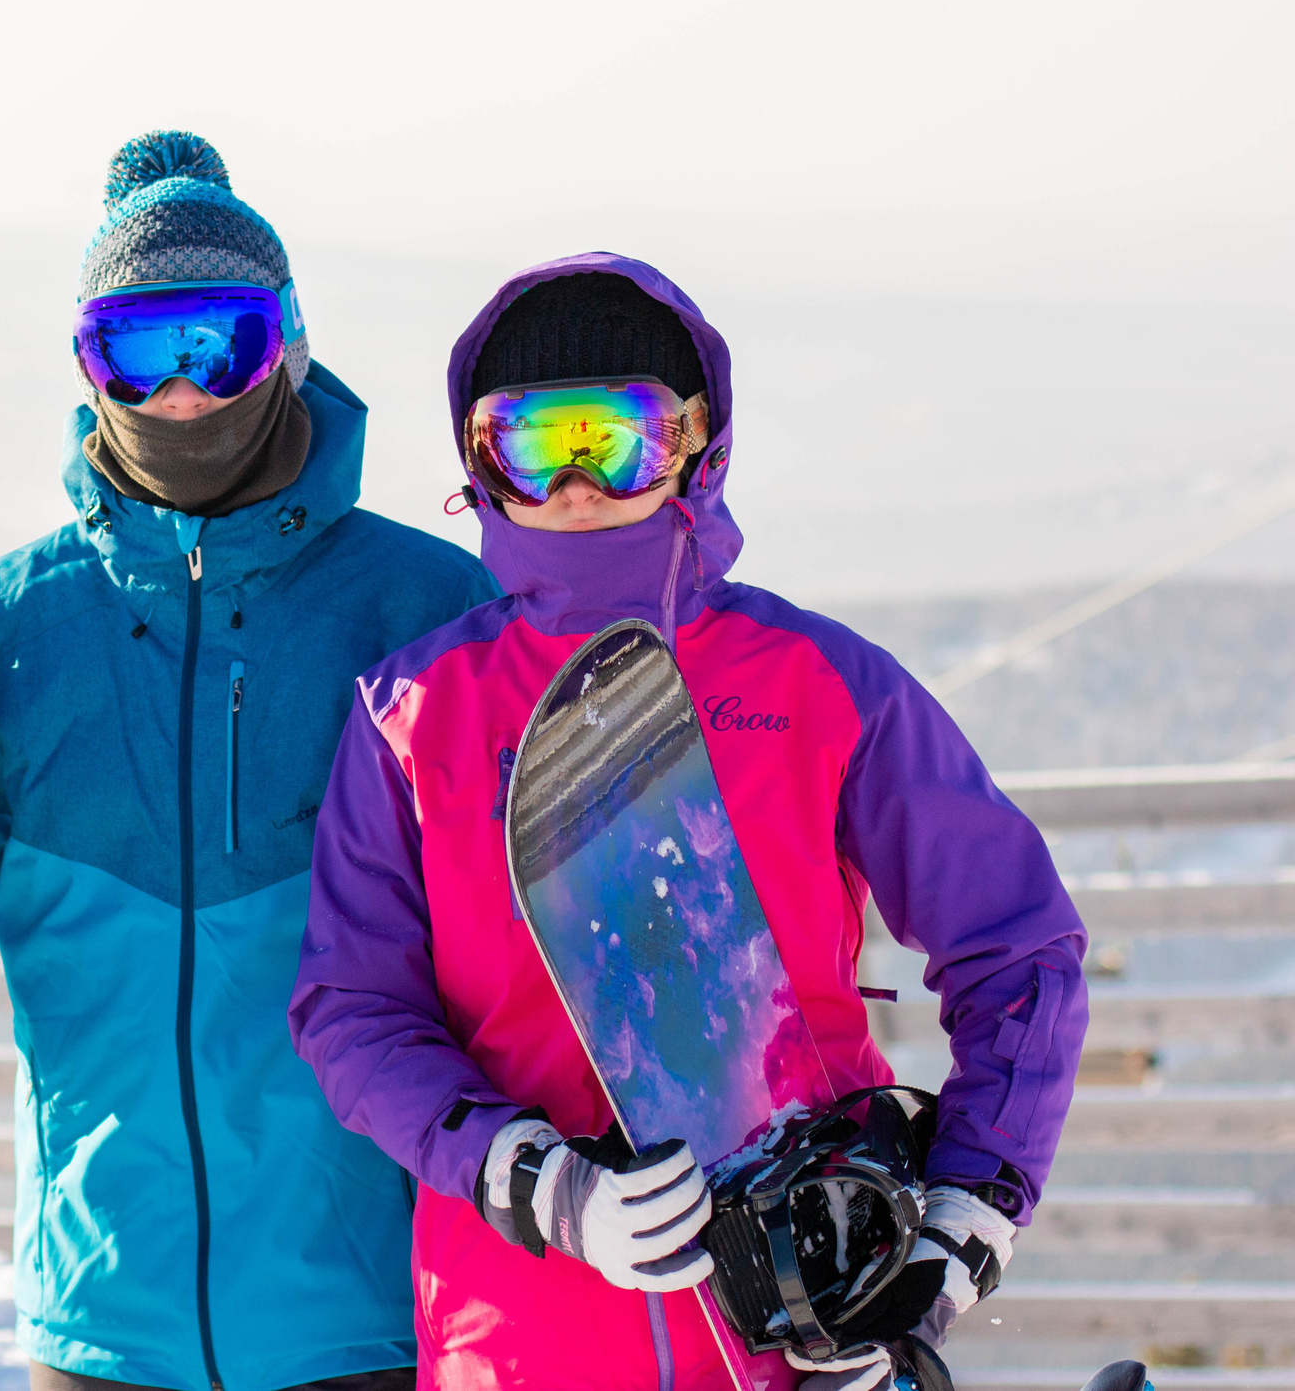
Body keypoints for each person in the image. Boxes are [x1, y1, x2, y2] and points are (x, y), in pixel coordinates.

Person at [0, 133, 499, 1391]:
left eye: (222, 345)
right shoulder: (14, 622)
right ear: (88, 366)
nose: (183, 396)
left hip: (379, 1305)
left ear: (290, 346)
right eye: (137, 352)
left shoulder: (424, 609)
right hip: (103, 1312)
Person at [286, 254, 1088, 1391]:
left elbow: (1018, 945)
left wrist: (966, 1210)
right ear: (476, 463)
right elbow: (352, 1007)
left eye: (614, 437)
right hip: (519, 1339)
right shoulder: (415, 717)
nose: (572, 482)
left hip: (805, 1325)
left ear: (697, 446)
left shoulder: (816, 682)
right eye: (529, 439)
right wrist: (529, 1178)